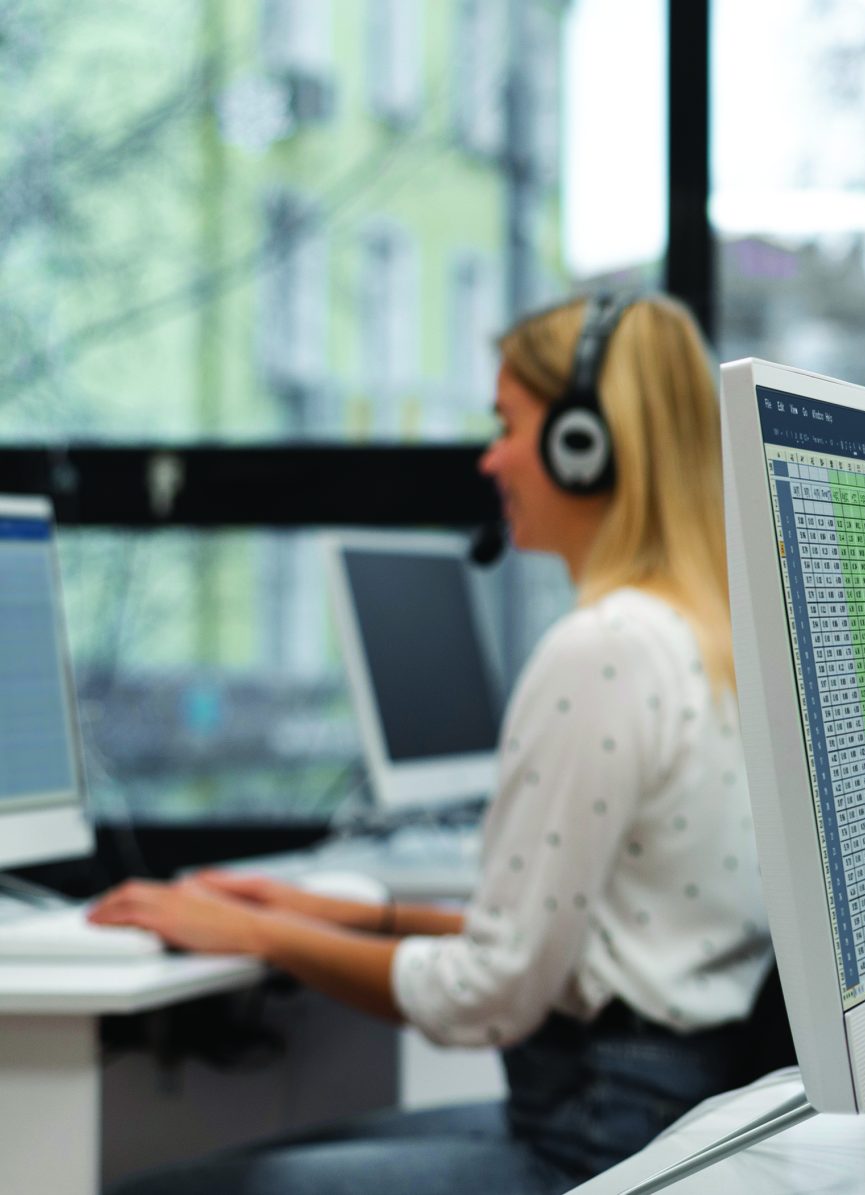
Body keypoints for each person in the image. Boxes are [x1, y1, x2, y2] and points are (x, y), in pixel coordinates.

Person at [93, 294, 774, 1195]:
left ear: (587, 446)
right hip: (661, 1110)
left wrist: (258, 931)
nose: (490, 458)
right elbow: (595, 946)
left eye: (508, 425)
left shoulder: (605, 649)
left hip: (591, 1138)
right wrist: (339, 916)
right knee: (274, 1152)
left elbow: (489, 991)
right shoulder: (712, 635)